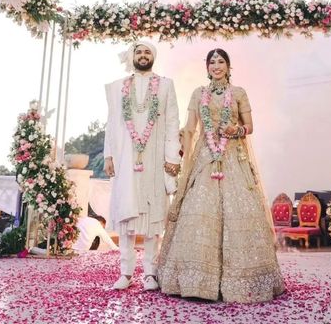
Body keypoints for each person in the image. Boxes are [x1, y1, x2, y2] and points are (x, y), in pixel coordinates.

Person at [158, 48, 285, 303]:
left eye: (221, 61)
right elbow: (190, 128)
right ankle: (196, 281)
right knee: (198, 209)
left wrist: (235, 129)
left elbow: (250, 127)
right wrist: (177, 149)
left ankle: (241, 281)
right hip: (205, 157)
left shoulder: (238, 93)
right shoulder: (198, 94)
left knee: (239, 209)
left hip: (233, 157)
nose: (216, 66)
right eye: (212, 62)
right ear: (207, 68)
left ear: (228, 66)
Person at [103, 41, 181, 291]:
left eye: (148, 51)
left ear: (153, 57)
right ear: (132, 56)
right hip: (125, 158)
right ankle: (125, 273)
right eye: (139, 52)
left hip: (155, 158)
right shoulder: (119, 87)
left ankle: (150, 273)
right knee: (126, 216)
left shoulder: (165, 85)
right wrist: (108, 156)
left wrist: (172, 158)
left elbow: (172, 122)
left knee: (152, 218)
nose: (143, 55)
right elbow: (111, 123)